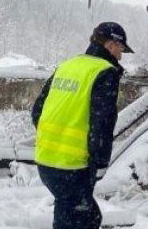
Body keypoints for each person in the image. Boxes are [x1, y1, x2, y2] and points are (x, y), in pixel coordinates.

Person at [31, 22, 131, 229]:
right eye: (121, 49)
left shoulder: (67, 66)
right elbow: (102, 123)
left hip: (45, 161)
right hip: (73, 167)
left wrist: (53, 141)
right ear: (111, 44)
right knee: (79, 219)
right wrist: (101, 163)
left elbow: (37, 112)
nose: (120, 56)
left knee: (85, 216)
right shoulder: (105, 72)